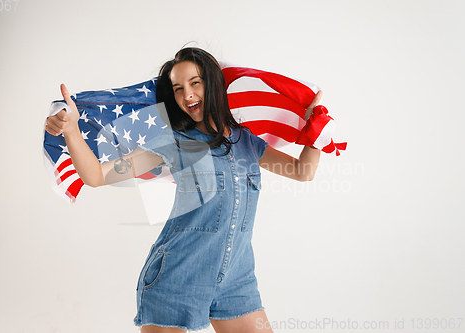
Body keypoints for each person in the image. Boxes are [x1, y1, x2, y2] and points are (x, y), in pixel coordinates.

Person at [45, 47, 322, 333]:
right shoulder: (173, 141)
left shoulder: (246, 141)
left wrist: (317, 132)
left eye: (195, 82)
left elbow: (303, 171)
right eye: (178, 88)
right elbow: (96, 176)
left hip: (237, 280)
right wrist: (72, 131)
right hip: (177, 277)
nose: (187, 94)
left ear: (213, 83)